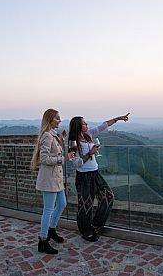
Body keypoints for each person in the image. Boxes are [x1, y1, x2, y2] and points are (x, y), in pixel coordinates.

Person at [68, 113, 129, 242]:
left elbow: (103, 126)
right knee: (85, 205)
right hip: (83, 177)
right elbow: (74, 163)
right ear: (78, 126)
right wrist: (90, 153)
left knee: (108, 197)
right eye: (84, 123)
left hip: (95, 173)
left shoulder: (88, 135)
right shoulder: (72, 143)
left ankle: (94, 225)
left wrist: (117, 119)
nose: (87, 125)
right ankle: (85, 231)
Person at [31, 108, 75, 255]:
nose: (60, 120)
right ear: (50, 120)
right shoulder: (47, 136)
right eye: (57, 118)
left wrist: (61, 140)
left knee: (62, 203)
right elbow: (44, 159)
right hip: (49, 178)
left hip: (56, 178)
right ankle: (42, 241)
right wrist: (64, 158)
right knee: (48, 210)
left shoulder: (53, 135)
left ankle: (51, 231)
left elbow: (53, 151)